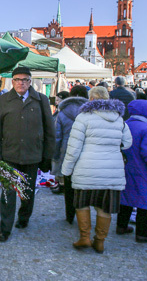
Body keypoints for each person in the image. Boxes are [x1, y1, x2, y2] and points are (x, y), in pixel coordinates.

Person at [61, 86, 132, 253]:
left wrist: (66, 170)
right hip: (111, 171)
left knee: (82, 204)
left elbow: (74, 148)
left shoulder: (84, 117)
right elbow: (128, 143)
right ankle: (99, 241)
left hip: (87, 169)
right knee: (105, 207)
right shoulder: (119, 119)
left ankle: (84, 237)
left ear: (91, 99)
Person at [0, 66, 55, 242]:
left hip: (33, 155)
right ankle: (5, 228)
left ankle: (24, 217)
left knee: (27, 191)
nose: (21, 83)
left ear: (30, 81)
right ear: (12, 82)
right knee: (7, 193)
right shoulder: (4, 100)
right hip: (9, 154)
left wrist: (47, 156)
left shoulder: (41, 100)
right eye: (18, 80)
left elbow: (50, 130)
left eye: (25, 80)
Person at [116, 100, 147, 243]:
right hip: (143, 170)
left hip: (125, 167)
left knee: (126, 197)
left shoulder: (124, 125)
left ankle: (121, 226)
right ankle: (142, 233)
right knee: (145, 200)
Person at [51, 85, 88, 223]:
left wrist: (55, 156)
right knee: (83, 186)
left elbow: (57, 137)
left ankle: (69, 215)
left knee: (68, 185)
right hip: (85, 153)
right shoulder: (90, 112)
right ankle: (83, 216)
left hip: (67, 152)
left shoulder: (62, 113)